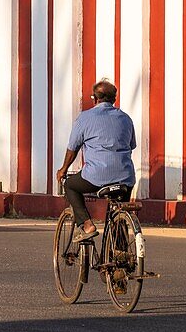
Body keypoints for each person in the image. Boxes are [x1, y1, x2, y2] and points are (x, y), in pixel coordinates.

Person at [56, 80, 136, 244]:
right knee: (118, 213)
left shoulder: (85, 118)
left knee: (70, 185)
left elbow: (73, 147)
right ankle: (119, 253)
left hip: (96, 177)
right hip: (125, 177)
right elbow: (131, 145)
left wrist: (63, 169)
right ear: (114, 99)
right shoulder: (126, 119)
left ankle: (87, 225)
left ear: (95, 99)